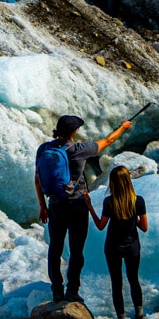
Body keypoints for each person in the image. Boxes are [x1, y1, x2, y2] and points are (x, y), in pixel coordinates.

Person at [34, 114, 133, 304]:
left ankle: (56, 291)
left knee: (55, 248)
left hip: (55, 204)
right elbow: (108, 140)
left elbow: (37, 180)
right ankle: (72, 290)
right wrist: (123, 127)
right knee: (76, 250)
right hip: (77, 204)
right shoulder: (79, 149)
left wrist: (42, 206)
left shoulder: (44, 149)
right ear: (74, 132)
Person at [90, 164, 149, 319]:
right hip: (132, 247)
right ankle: (140, 318)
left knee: (116, 284)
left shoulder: (109, 202)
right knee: (133, 280)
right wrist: (132, 218)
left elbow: (101, 226)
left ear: (113, 183)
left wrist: (89, 207)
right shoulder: (138, 201)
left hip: (113, 247)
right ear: (128, 181)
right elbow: (144, 227)